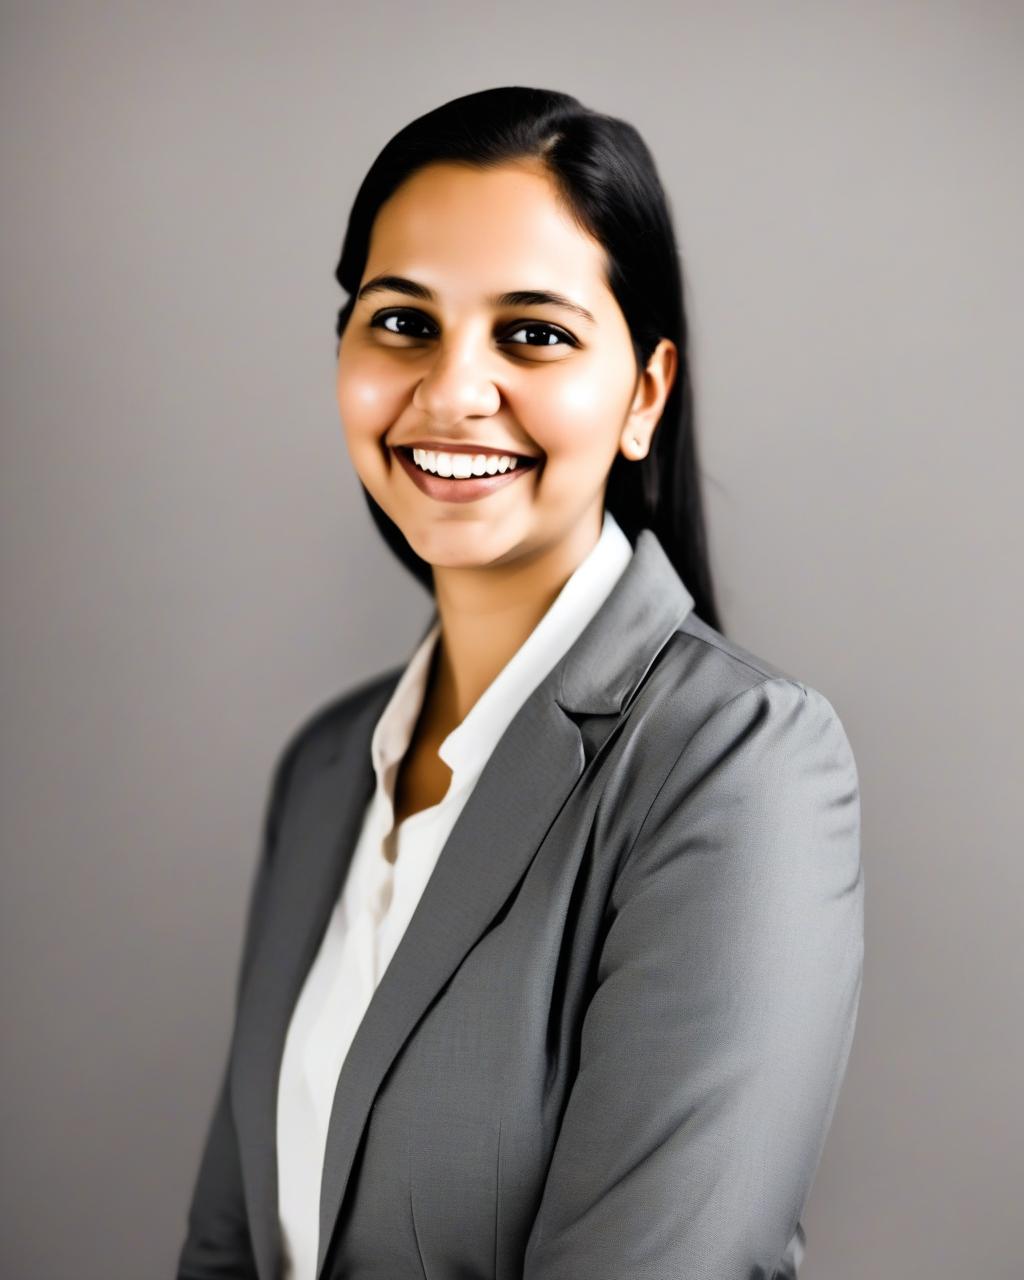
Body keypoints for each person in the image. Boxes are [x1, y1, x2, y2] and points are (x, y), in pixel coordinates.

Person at [176, 86, 864, 1280]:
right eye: (401, 322)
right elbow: (228, 1244)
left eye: (532, 332)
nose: (450, 391)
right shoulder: (329, 765)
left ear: (644, 392)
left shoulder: (737, 760)